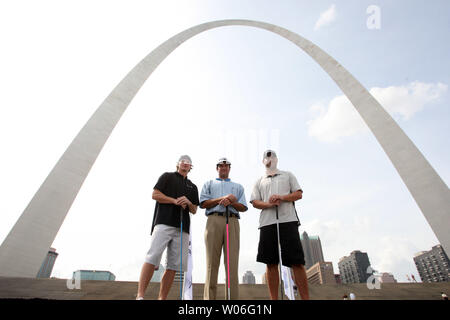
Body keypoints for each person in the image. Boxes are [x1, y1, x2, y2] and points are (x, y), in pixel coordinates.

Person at [136, 155, 199, 300]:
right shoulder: (167, 176)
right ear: (177, 164)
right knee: (152, 257)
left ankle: (162, 298)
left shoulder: (193, 186)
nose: (185, 163)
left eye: (188, 162)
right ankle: (140, 296)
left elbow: (194, 209)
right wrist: (174, 201)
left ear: (191, 167)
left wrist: (188, 203)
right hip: (163, 222)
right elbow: (155, 194)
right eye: (183, 161)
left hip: (182, 229)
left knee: (173, 265)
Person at [250, 150, 309, 300]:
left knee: (296, 261)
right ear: (263, 161)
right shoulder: (259, 181)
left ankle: (305, 298)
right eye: (266, 157)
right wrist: (269, 204)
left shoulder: (288, 175)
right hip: (267, 223)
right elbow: (255, 202)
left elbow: (298, 194)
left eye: (272, 156)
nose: (270, 159)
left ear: (276, 159)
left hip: (288, 220)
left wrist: (282, 197)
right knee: (270, 262)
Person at [200, 157, 248, 300]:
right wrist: (223, 198)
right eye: (221, 166)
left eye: (226, 166)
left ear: (229, 168)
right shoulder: (209, 183)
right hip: (213, 220)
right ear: (217, 168)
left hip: (232, 221)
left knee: (232, 264)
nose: (223, 168)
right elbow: (203, 203)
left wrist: (232, 201)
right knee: (211, 264)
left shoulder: (238, 186)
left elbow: (244, 207)